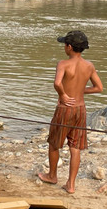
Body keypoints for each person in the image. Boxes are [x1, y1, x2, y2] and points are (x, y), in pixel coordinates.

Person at [38, 31, 103, 194]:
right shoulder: (89, 65)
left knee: (54, 144)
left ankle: (52, 176)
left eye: (65, 45)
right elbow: (99, 88)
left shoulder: (63, 64)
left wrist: (64, 95)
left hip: (64, 109)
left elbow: (57, 83)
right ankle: (71, 185)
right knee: (75, 147)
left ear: (69, 47)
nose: (64, 48)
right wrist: (80, 91)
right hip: (80, 109)